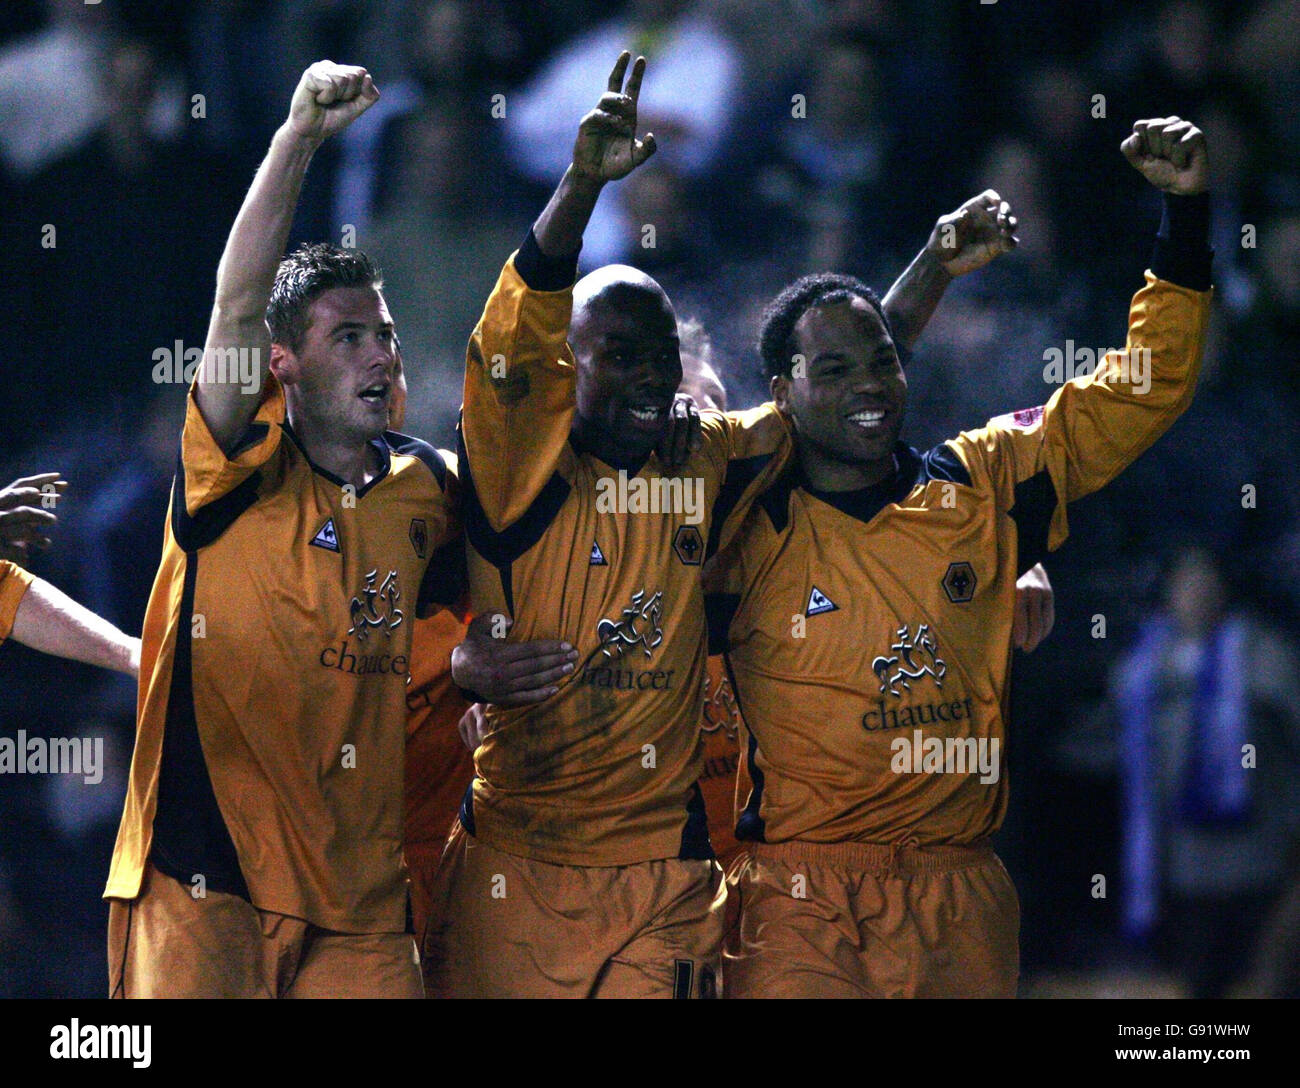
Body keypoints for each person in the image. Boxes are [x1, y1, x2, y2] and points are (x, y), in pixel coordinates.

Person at [708, 115, 1213, 997]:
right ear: (781, 395)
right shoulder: (743, 517)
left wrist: (1185, 218)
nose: (869, 383)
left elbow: (1141, 390)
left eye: (882, 363)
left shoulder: (984, 484)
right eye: (833, 372)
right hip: (799, 899)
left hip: (959, 897)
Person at [420, 52, 794, 999]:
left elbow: (840, 424)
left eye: (660, 354)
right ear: (564, 368)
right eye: (616, 354)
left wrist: (1014, 560)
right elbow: (511, 331)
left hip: (665, 876)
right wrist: (584, 183)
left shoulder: (701, 459)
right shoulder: (514, 468)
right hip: (517, 871)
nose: (648, 375)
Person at [102, 62, 463, 999]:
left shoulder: (430, 491)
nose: (381, 352)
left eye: (384, 334)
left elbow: (500, 619)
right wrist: (297, 137)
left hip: (363, 905)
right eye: (349, 337)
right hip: (203, 887)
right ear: (285, 364)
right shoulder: (233, 462)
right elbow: (236, 298)